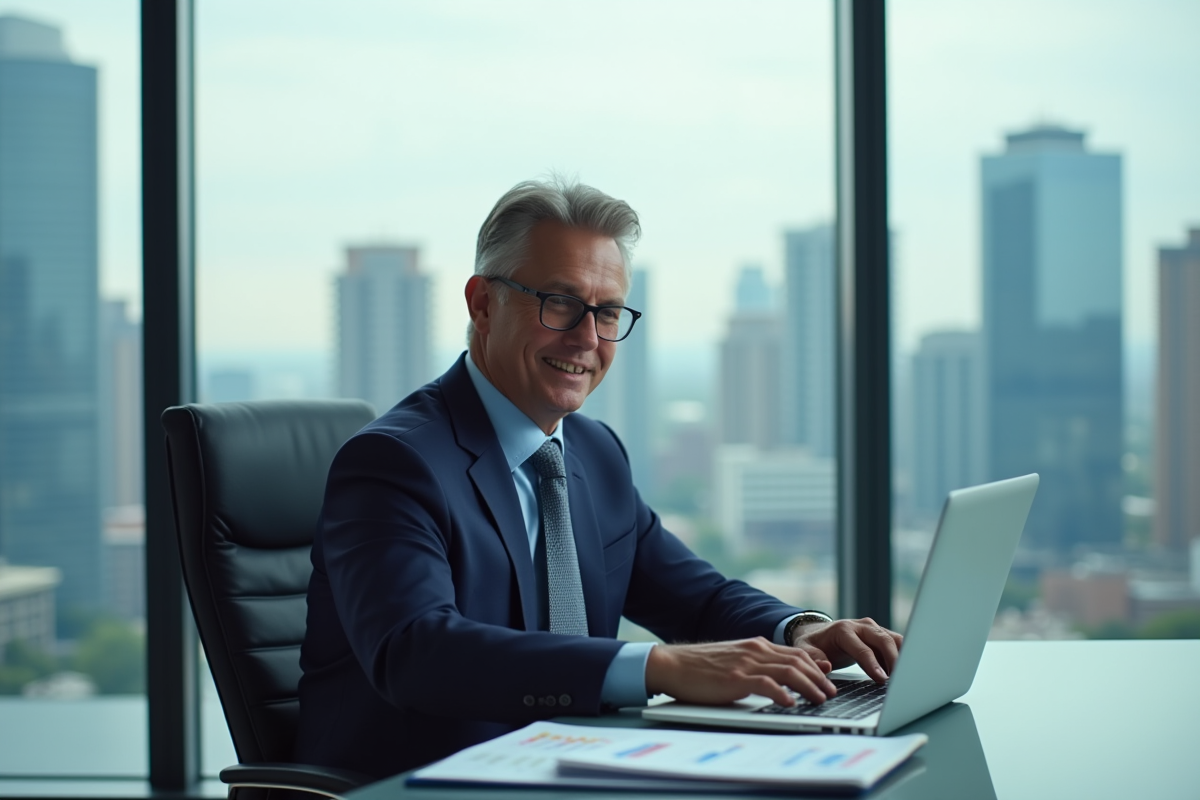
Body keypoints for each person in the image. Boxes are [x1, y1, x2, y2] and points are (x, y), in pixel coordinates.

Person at [295, 178, 903, 778]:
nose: (587, 338)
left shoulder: (592, 451)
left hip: (576, 773)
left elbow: (697, 598)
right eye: (559, 302)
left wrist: (803, 630)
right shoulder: (394, 463)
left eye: (607, 312)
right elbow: (418, 653)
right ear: (483, 303)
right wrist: (656, 668)